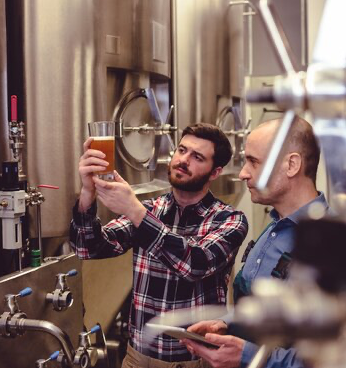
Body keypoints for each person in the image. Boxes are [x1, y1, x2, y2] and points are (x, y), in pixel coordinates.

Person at [70, 123, 249, 367]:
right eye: (182, 150)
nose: (184, 160)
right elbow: (88, 248)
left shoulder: (229, 219)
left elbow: (192, 264)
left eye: (197, 157)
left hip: (193, 361)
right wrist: (87, 195)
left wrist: (135, 210)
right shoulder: (151, 209)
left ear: (215, 172)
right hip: (137, 358)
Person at [182, 117, 327, 368]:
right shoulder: (275, 228)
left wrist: (247, 356)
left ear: (291, 165)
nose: (242, 173)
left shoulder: (330, 245)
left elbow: (327, 357)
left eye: (253, 162)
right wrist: (228, 323)